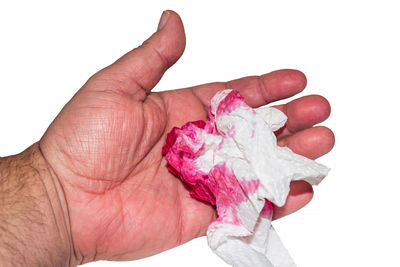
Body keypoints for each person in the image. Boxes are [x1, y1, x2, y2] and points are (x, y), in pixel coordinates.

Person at [0, 10, 334, 266]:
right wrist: (56, 194)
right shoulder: (220, 162)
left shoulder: (225, 137)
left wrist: (56, 195)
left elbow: (253, 133)